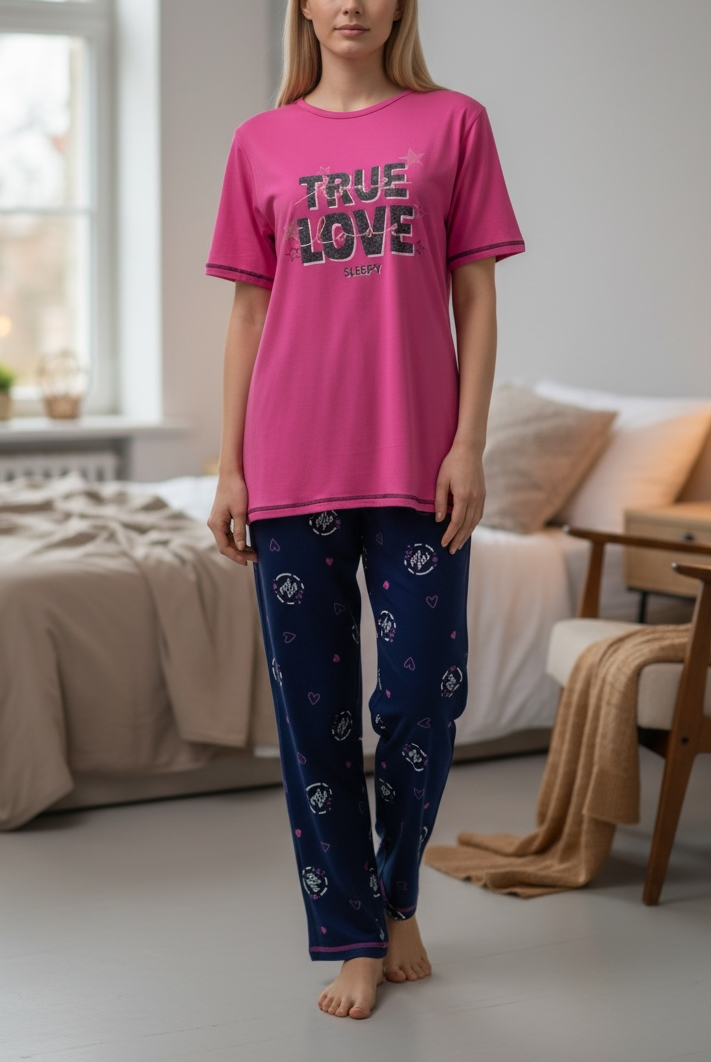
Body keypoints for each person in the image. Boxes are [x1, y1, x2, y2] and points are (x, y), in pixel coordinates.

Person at [206, 0, 524, 1021]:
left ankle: (397, 898)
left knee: (425, 695)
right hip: (289, 460)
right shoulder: (260, 140)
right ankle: (355, 937)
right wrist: (229, 465)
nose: (351, 3)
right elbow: (248, 311)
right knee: (316, 720)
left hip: (418, 465)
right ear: (303, 4)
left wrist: (468, 444)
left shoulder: (454, 123)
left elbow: (475, 293)